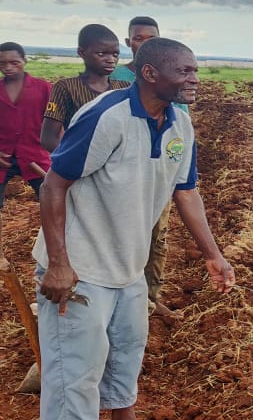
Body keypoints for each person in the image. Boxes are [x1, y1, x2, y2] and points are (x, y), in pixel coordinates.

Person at [33, 37, 236, 419]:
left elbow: (187, 192)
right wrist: (59, 264)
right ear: (149, 73)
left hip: (129, 270)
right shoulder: (107, 116)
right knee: (74, 383)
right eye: (185, 71)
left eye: (195, 70)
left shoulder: (180, 125)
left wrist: (214, 255)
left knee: (124, 373)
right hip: (81, 272)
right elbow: (52, 186)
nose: (195, 79)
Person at [111, 16, 185, 320]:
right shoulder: (113, 76)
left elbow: (178, 124)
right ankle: (119, 295)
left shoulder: (170, 78)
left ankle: (151, 299)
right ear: (129, 43)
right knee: (118, 234)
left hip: (156, 173)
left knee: (157, 237)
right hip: (118, 173)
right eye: (138, 38)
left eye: (151, 38)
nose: (144, 43)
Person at [1, 41, 52, 270]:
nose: (8, 67)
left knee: (55, 202)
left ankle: (55, 252)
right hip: (2, 157)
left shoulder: (43, 88)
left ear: (24, 61)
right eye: (3, 63)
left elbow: (56, 122)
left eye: (14, 62)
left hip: (36, 156)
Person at [41, 24, 131, 153]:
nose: (111, 60)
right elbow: (49, 138)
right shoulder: (66, 87)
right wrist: (73, 160)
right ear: (82, 52)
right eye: (101, 54)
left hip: (115, 166)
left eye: (115, 54)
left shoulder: (124, 88)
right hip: (79, 164)